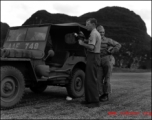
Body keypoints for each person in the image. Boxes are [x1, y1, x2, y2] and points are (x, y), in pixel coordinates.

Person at [78, 18, 101, 108]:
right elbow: (91, 43)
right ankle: (89, 100)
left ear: (93, 24)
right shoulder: (93, 33)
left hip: (93, 56)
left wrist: (82, 43)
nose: (86, 25)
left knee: (91, 79)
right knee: (88, 79)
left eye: (87, 24)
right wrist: (84, 38)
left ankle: (95, 101)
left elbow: (91, 47)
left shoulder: (94, 33)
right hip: (92, 57)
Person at [97, 25, 121, 102]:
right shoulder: (94, 40)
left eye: (103, 32)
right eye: (100, 32)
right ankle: (101, 94)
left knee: (107, 78)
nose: (102, 33)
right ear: (97, 32)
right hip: (98, 60)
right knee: (98, 79)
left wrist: (112, 50)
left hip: (107, 59)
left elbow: (118, 45)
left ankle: (106, 95)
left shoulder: (108, 40)